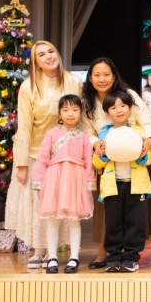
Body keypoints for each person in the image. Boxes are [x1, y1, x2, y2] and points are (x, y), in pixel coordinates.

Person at [6, 40, 83, 269]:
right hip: (35, 154)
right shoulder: (28, 87)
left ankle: (56, 253)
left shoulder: (73, 81)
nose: (49, 56)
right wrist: (22, 164)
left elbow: (82, 117)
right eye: (41, 55)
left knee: (64, 203)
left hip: (66, 153)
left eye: (51, 51)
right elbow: (24, 126)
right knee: (38, 203)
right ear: (36, 63)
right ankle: (39, 251)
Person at [82, 58, 151, 269]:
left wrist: (147, 142)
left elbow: (148, 124)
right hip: (108, 168)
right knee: (110, 218)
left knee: (134, 219)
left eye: (106, 74)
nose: (102, 79)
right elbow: (87, 131)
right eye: (97, 75)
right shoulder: (87, 102)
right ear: (90, 78)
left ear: (114, 76)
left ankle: (131, 257)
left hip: (135, 168)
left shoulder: (129, 95)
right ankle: (110, 256)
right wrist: (97, 145)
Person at [30, 95, 95, 274]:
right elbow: (43, 159)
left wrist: (89, 183)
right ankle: (52, 257)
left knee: (74, 221)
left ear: (80, 112)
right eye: (66, 110)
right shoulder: (51, 134)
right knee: (53, 221)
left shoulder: (84, 136)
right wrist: (39, 182)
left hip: (75, 181)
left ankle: (74, 258)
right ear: (59, 113)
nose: (70, 114)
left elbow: (88, 161)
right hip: (55, 179)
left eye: (75, 110)